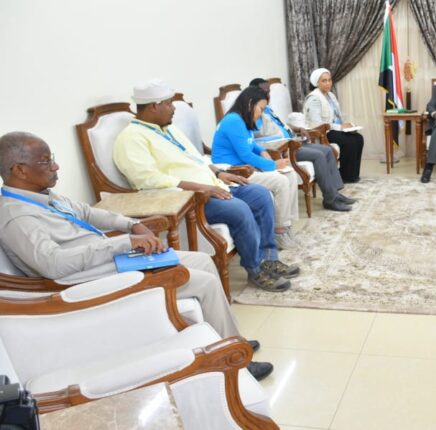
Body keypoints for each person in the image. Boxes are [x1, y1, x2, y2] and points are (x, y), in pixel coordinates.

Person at [0, 131, 274, 380]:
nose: (55, 166)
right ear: (19, 170)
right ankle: (235, 361)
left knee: (202, 260)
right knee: (203, 282)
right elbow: (53, 265)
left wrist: (131, 225)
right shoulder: (16, 216)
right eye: (46, 161)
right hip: (88, 281)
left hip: (107, 264)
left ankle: (227, 338)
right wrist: (123, 243)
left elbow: (87, 213)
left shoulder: (44, 197)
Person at [113, 79, 298, 292]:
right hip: (188, 198)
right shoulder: (131, 138)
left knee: (260, 194)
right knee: (239, 209)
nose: (173, 108)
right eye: (169, 103)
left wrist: (219, 173)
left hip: (213, 184)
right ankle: (255, 269)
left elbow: (197, 158)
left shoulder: (168, 129)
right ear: (155, 106)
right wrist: (203, 188)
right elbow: (148, 180)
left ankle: (269, 259)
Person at [211, 86, 300, 249]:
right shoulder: (233, 121)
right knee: (280, 181)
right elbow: (245, 155)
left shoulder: (242, 119)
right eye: (261, 108)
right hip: (234, 171)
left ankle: (287, 226)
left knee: (291, 175)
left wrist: (262, 151)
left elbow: (250, 144)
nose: (262, 113)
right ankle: (279, 232)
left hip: (244, 167)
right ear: (250, 103)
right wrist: (273, 165)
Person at [248, 78, 355, 212]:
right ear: (255, 92)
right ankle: (330, 200)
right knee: (318, 155)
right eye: (265, 91)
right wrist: (285, 140)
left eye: (268, 91)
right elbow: (257, 137)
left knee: (327, 150)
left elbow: (282, 125)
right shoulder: (255, 112)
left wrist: (298, 128)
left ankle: (335, 193)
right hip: (284, 148)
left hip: (293, 141)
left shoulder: (267, 108)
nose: (268, 95)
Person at [304, 68, 364, 183]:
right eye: (324, 81)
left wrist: (349, 125)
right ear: (317, 83)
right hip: (324, 132)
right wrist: (340, 127)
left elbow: (336, 116)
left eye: (329, 80)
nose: (328, 83)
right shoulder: (314, 99)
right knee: (349, 142)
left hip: (335, 129)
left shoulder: (331, 95)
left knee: (358, 138)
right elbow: (317, 124)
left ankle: (353, 174)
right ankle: (345, 175)